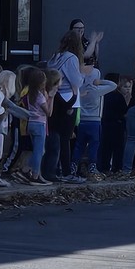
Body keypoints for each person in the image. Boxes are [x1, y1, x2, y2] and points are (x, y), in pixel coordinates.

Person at [45, 31, 85, 181]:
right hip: (69, 97)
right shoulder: (71, 58)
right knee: (66, 138)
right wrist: (83, 75)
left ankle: (52, 169)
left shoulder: (55, 56)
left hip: (54, 97)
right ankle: (67, 172)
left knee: (54, 135)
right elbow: (76, 81)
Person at [73, 62, 116, 180]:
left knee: (79, 145)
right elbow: (113, 85)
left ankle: (73, 166)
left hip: (82, 120)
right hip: (95, 121)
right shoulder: (97, 90)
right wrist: (101, 82)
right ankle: (92, 167)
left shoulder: (80, 89)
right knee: (94, 145)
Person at [98, 73, 131, 174]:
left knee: (105, 147)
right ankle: (117, 168)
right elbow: (124, 110)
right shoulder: (118, 96)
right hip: (117, 123)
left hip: (104, 123)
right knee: (118, 147)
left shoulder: (102, 95)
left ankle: (104, 167)